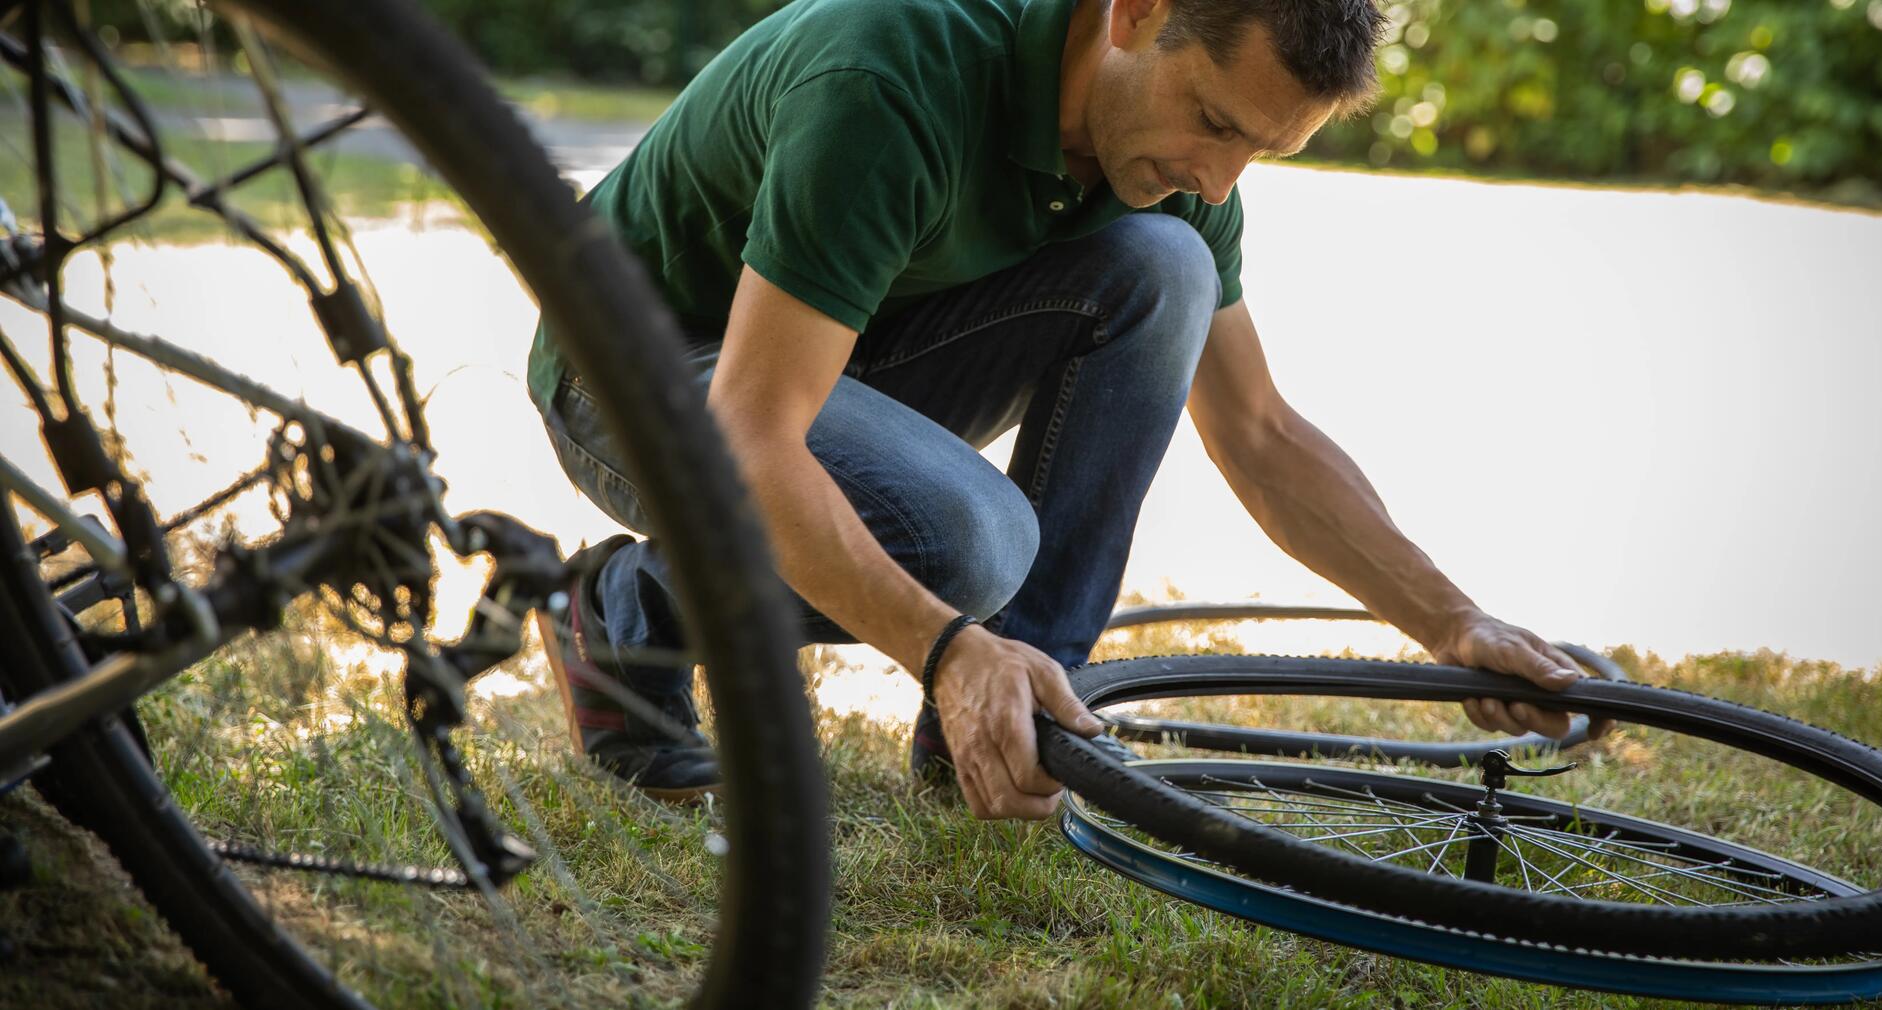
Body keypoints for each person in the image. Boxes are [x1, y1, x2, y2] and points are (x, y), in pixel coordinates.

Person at [527, 0, 1604, 818]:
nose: (1221, 180)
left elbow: (1260, 432)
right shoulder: (892, 74)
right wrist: (946, 645)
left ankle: (1016, 728)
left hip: (832, 359)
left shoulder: (1175, 172)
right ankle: (630, 609)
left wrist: (1454, 619)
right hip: (637, 377)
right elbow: (752, 431)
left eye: (1258, 152)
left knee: (1167, 265)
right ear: (1136, 12)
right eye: (1215, 123)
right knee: (969, 542)